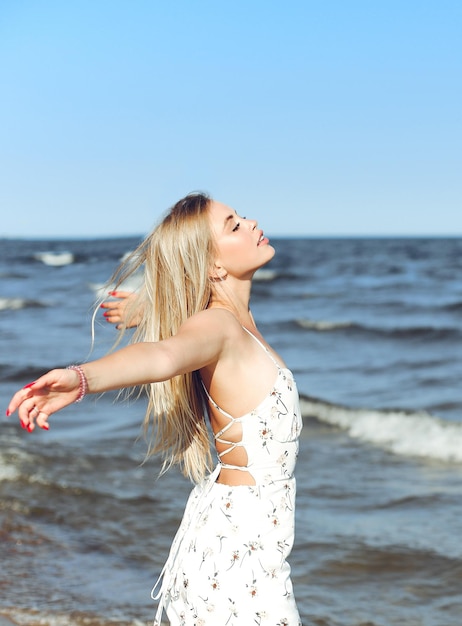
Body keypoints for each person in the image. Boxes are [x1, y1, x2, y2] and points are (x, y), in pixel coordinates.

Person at [6, 193, 303, 626]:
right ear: (214, 265)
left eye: (240, 217)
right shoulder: (219, 325)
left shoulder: (234, 321)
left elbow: (186, 321)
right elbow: (164, 357)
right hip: (240, 555)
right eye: (233, 225)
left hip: (244, 542)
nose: (251, 221)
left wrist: (151, 306)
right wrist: (83, 379)